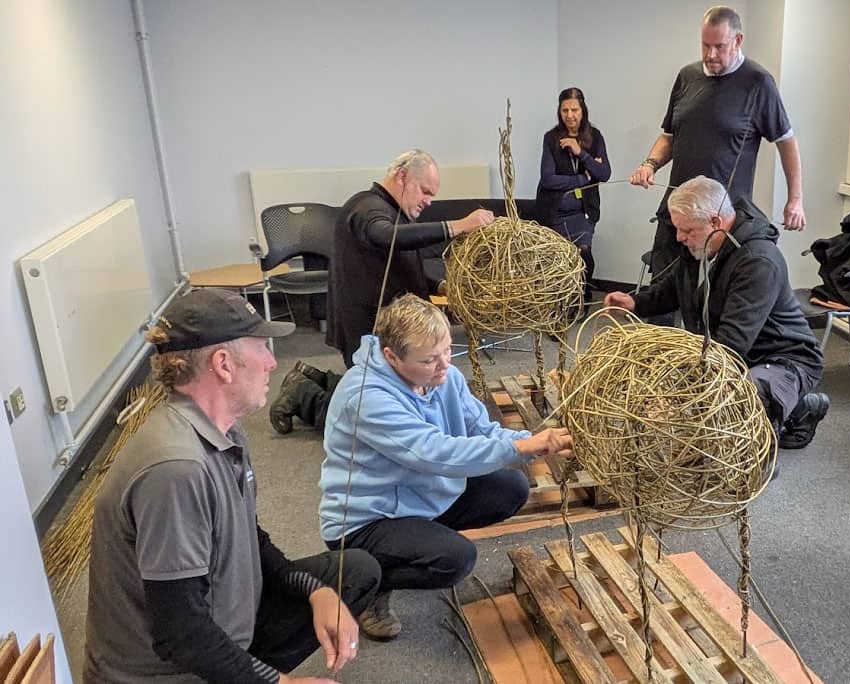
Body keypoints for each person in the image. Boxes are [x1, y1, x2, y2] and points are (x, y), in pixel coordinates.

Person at [84, 288, 381, 684]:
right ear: (223, 363)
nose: (273, 363)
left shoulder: (224, 432)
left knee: (354, 571)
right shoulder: (176, 469)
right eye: (262, 348)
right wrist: (279, 683)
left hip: (217, 625)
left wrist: (315, 591)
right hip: (168, 672)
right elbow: (180, 633)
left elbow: (248, 539)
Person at [318, 294, 574, 640]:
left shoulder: (445, 377)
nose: (443, 366)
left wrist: (538, 441)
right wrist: (521, 446)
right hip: (367, 520)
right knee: (455, 559)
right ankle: (361, 583)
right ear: (391, 356)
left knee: (511, 486)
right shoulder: (365, 396)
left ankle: (416, 542)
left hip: (419, 495)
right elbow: (435, 453)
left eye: (447, 352)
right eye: (428, 360)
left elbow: (483, 431)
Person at [270, 150, 493, 434]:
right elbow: (385, 237)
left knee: (384, 389)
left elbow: (404, 263)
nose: (429, 201)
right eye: (425, 191)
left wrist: (439, 286)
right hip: (368, 325)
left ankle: (312, 380)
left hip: (383, 324)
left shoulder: (388, 211)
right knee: (374, 417)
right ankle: (303, 397)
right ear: (402, 176)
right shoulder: (367, 208)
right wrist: (456, 226)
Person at [604, 176, 828, 450]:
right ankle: (798, 406)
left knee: (729, 412)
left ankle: (780, 414)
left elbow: (731, 344)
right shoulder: (700, 246)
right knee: (689, 395)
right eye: (677, 229)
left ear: (715, 222)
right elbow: (673, 290)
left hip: (782, 358)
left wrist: (682, 385)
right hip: (734, 352)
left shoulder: (758, 261)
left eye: (686, 230)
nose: (679, 237)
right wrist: (635, 303)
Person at [629, 5, 805, 324]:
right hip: (677, 213)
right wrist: (650, 164)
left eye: (719, 46)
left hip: (720, 222)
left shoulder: (758, 82)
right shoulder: (687, 77)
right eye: (705, 45)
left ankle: (706, 367)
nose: (711, 54)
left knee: (714, 306)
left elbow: (787, 142)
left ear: (738, 40)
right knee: (663, 295)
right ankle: (658, 365)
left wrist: (796, 200)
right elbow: (668, 135)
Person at [535, 87, 611, 301]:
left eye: (574, 110)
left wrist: (581, 153)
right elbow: (548, 179)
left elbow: (604, 173)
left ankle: (583, 297)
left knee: (583, 253)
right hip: (554, 212)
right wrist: (583, 179)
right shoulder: (551, 138)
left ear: (583, 110)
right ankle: (561, 301)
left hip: (583, 212)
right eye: (565, 110)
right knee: (556, 260)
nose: (569, 115)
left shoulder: (595, 137)